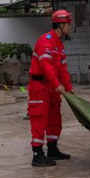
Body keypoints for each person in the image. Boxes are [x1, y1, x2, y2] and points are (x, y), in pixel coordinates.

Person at [27, 9, 74, 167]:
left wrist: (68, 87)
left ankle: (52, 149)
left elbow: (62, 69)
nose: (69, 27)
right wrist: (57, 84)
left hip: (52, 87)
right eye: (68, 24)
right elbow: (46, 66)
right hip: (40, 86)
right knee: (39, 118)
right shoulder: (45, 41)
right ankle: (37, 154)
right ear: (60, 25)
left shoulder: (59, 45)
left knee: (55, 117)